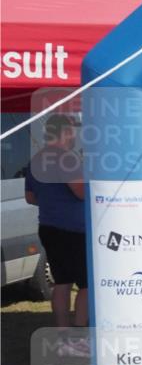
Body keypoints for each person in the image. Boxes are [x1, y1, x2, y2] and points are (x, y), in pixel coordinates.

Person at [24, 114, 89, 332]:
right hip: (73, 229)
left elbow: (30, 197)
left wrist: (52, 200)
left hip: (49, 226)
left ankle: (62, 331)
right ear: (65, 133)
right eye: (72, 131)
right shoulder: (66, 158)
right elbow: (80, 192)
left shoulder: (36, 159)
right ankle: (79, 331)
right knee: (87, 284)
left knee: (61, 283)